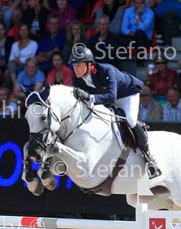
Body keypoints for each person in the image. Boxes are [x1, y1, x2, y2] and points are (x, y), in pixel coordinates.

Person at [69, 45, 161, 178]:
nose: (75, 68)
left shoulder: (106, 70)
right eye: (74, 65)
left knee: (130, 120)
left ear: (89, 64)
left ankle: (149, 158)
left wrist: (89, 97)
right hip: (105, 98)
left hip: (127, 94)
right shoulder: (76, 77)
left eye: (78, 65)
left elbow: (111, 97)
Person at [7, 23, 38, 89]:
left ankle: (16, 87)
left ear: (28, 31)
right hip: (15, 66)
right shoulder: (14, 44)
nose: (23, 32)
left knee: (9, 72)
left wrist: (20, 62)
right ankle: (15, 85)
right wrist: (17, 61)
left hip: (27, 66)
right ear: (19, 32)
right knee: (9, 67)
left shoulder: (33, 44)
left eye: (25, 30)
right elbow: (11, 59)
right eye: (21, 30)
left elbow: (32, 59)